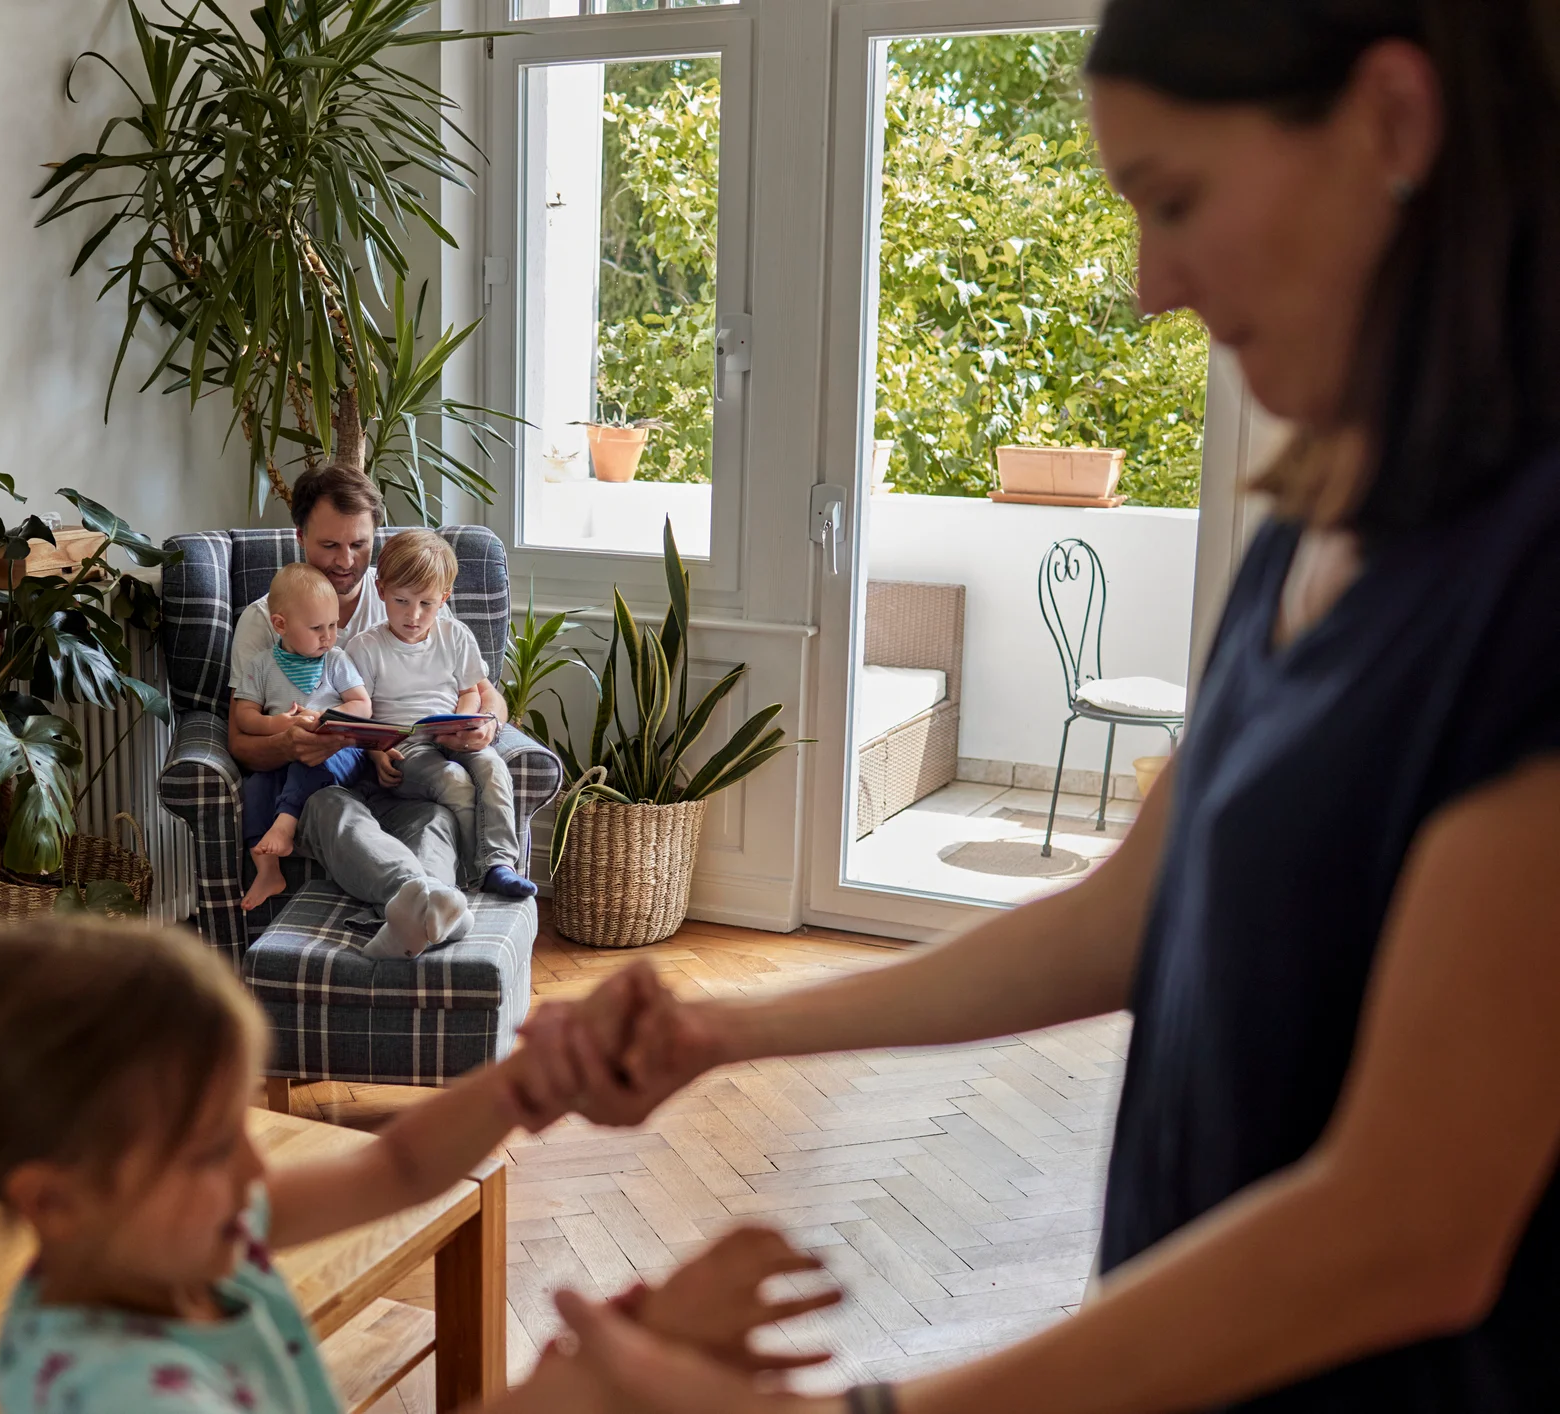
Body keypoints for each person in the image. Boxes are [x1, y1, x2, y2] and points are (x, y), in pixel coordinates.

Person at [520, 2, 1560, 1410]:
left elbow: (1410, 1228)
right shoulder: (1308, 536)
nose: (1150, 285)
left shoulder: (1528, 582)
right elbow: (1131, 916)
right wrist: (726, 1034)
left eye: (1175, 199)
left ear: (1393, 119)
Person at [0, 918, 843, 1414]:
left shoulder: (171, 1245)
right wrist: (586, 1389)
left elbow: (397, 1166)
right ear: (54, 1199)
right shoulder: (126, 1397)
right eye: (207, 1144)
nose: (253, 1156)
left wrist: (530, 1083)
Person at [226, 465, 510, 956]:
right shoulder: (264, 619)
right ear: (300, 537)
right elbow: (238, 741)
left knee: (434, 821)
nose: (345, 561)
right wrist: (286, 742)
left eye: (358, 545)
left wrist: (488, 726)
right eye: (329, 545)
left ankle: (434, 911)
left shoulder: (403, 595)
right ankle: (414, 902)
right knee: (335, 812)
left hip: (404, 777)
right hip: (323, 784)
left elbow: (483, 690)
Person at [347, 530, 538, 928]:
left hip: (452, 733)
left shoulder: (455, 636)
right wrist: (377, 752)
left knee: (492, 770)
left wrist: (471, 722)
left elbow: (470, 691)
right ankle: (471, 878)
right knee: (455, 781)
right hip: (406, 748)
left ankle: (500, 863)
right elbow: (359, 716)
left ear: (444, 598)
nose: (413, 616)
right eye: (401, 601)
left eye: (426, 604)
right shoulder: (365, 648)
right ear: (380, 590)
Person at [232, 563, 372, 912]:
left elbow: (362, 704)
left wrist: (329, 718)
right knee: (254, 788)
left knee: (311, 756)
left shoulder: (335, 660)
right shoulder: (262, 665)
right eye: (316, 628)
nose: (328, 636)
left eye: (333, 625)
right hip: (285, 751)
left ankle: (285, 824)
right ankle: (267, 869)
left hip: (335, 750)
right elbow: (245, 717)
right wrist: (281, 724)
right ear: (280, 624)